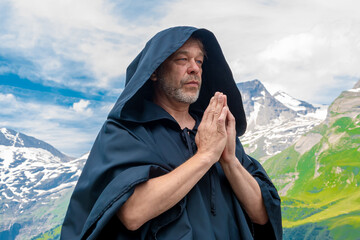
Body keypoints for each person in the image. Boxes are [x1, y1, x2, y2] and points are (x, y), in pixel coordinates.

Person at [61, 26, 282, 240]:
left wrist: (229, 160)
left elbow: (262, 216)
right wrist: (205, 156)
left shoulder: (214, 130)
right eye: (182, 59)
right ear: (155, 71)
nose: (194, 68)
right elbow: (133, 213)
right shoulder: (126, 132)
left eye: (199, 61)